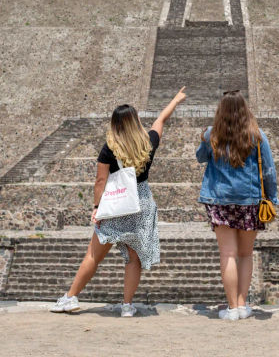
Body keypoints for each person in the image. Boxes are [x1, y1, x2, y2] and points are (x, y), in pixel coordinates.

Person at [50, 88, 186, 317]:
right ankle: (126, 306)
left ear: (115, 124)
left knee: (93, 255)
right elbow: (161, 119)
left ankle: (70, 297)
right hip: (140, 202)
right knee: (134, 259)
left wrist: (96, 207)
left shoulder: (110, 148)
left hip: (116, 204)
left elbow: (100, 181)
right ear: (135, 122)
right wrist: (175, 99)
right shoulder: (149, 142)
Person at [196, 90, 279, 321]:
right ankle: (242, 305)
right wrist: (272, 198)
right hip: (250, 201)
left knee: (228, 255)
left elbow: (200, 157)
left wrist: (205, 136)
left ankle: (231, 308)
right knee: (245, 254)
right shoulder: (257, 135)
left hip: (221, 201)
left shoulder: (212, 135)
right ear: (245, 109)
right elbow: (269, 171)